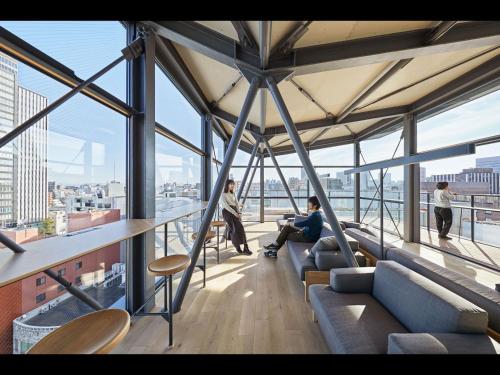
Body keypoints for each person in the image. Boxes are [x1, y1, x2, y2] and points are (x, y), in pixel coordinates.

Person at [221, 179, 252, 255]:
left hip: (235, 211)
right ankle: (238, 247)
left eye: (233, 184)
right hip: (227, 212)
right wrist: (235, 213)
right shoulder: (223, 194)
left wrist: (239, 212)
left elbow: (237, 204)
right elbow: (226, 206)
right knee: (236, 228)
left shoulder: (233, 193)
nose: (232, 185)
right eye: (231, 184)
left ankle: (245, 247)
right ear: (227, 185)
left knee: (239, 228)